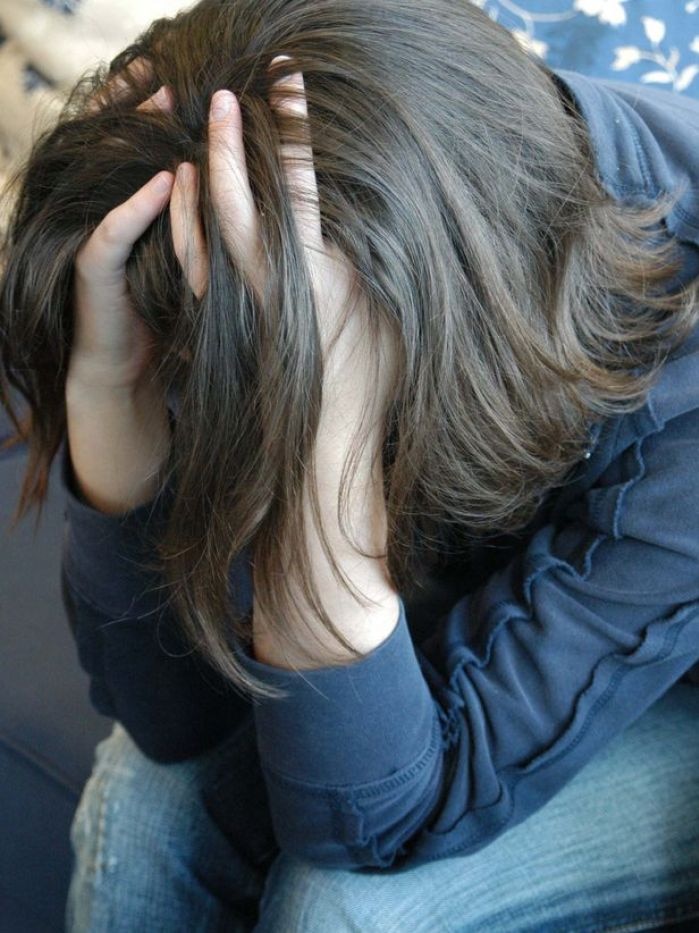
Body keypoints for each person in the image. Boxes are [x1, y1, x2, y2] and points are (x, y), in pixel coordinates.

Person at [1, 0, 698, 929]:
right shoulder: (329, 197)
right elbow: (169, 722)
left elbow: (370, 828)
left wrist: (328, 433)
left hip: (674, 675)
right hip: (489, 540)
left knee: (341, 906)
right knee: (145, 799)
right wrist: (108, 384)